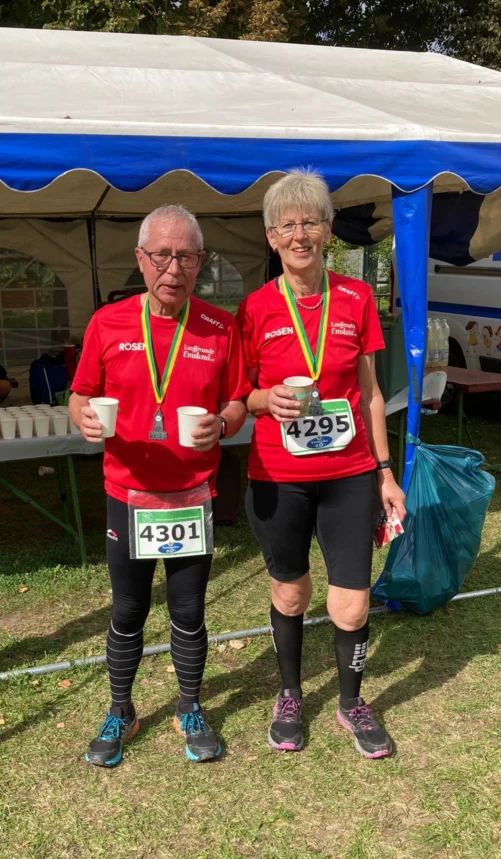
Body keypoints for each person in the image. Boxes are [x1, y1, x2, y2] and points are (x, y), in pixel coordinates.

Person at [69, 204, 249, 768]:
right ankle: (121, 709)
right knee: (127, 609)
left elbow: (239, 402)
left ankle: (190, 705)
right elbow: (79, 394)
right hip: (128, 493)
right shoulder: (109, 323)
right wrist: (82, 416)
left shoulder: (221, 327)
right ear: (141, 260)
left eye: (187, 256)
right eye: (162, 255)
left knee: (188, 608)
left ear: (201, 262)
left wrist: (222, 424)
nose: (174, 268)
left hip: (192, 494)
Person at [238, 170, 406, 759]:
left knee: (352, 601)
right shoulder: (255, 308)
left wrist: (386, 472)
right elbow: (240, 398)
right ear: (271, 236)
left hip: (349, 473)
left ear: (328, 231)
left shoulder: (356, 298)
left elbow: (371, 395)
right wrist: (265, 400)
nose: (300, 234)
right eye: (288, 225)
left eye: (311, 221)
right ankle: (290, 693)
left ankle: (351, 701)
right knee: (290, 593)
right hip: (279, 475)